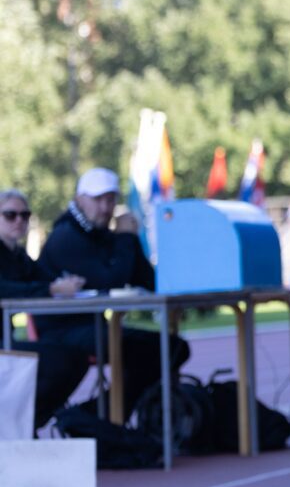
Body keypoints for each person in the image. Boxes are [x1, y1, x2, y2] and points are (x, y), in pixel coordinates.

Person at [36, 167, 190, 420]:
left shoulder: (102, 234)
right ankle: (98, 417)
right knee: (162, 349)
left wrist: (131, 241)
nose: (105, 208)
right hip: (63, 332)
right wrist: (126, 239)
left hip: (92, 327)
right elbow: (110, 280)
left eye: (110, 200)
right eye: (98, 200)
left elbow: (147, 279)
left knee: (172, 347)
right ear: (79, 200)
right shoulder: (66, 236)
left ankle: (103, 416)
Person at [0, 189, 90, 429]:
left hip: (6, 342)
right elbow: (5, 289)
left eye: (24, 215)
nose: (19, 220)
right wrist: (52, 289)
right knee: (61, 361)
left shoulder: (17, 255)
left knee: (74, 359)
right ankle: (16, 423)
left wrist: (66, 283)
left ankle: (26, 423)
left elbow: (43, 279)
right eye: (10, 215)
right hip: (3, 347)